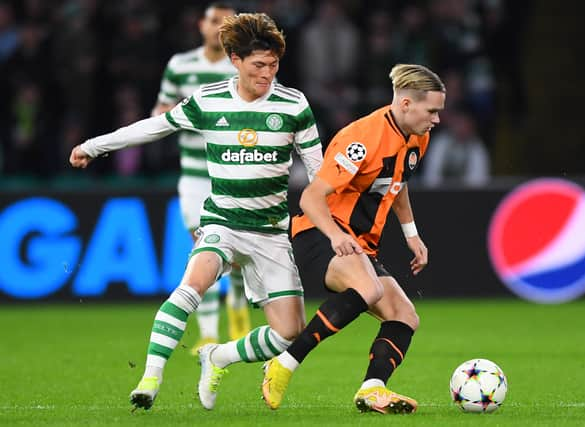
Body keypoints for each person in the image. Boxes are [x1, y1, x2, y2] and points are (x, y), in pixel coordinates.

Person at [69, 12, 323, 412]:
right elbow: (154, 127)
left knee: (289, 333)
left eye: (274, 65)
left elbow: (318, 172)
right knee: (193, 284)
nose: (267, 73)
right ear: (235, 61)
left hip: (272, 231)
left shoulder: (294, 104)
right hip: (222, 221)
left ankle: (217, 356)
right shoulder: (209, 99)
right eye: (259, 65)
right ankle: (150, 378)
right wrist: (95, 145)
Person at [262, 64, 446, 414]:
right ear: (406, 104)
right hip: (319, 233)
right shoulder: (361, 138)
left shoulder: (417, 137)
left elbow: (398, 182)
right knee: (370, 288)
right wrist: (333, 236)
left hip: (358, 244)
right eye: (432, 110)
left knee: (405, 315)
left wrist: (412, 233)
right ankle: (284, 364)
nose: (436, 120)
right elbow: (310, 198)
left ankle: (372, 388)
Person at [151, 2, 251, 355]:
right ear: (201, 25)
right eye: (213, 21)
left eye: (226, 23)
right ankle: (209, 332)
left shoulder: (243, 65)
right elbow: (159, 112)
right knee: (203, 249)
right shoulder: (180, 65)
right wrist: (180, 113)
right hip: (194, 174)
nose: (217, 28)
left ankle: (238, 305)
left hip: (233, 172)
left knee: (237, 253)